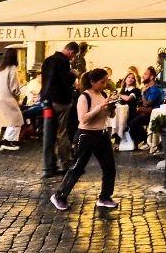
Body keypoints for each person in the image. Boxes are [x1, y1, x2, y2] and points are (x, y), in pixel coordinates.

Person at [50, 68, 119, 211]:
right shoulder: (84, 97)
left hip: (102, 134)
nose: (105, 84)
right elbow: (84, 119)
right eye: (102, 82)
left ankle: (105, 197)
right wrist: (100, 107)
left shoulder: (103, 94)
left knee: (109, 167)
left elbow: (110, 116)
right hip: (86, 135)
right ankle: (59, 195)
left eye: (106, 81)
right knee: (77, 167)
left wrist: (111, 108)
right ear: (93, 82)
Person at [40, 42, 79, 177]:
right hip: (61, 102)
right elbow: (65, 82)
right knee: (62, 133)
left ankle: (48, 167)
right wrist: (73, 74)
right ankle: (66, 163)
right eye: (73, 55)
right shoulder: (63, 62)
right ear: (71, 52)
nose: (72, 58)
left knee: (48, 134)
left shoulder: (47, 60)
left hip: (47, 101)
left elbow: (45, 81)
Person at [0, 49, 25, 153]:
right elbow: (14, 87)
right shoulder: (12, 69)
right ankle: (8, 140)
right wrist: (18, 96)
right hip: (6, 98)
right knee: (16, 119)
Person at [130, 66, 164, 149]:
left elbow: (147, 104)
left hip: (152, 114)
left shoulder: (155, 89)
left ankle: (145, 139)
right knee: (129, 118)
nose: (143, 76)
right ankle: (139, 140)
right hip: (146, 112)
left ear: (151, 77)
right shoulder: (148, 88)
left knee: (133, 123)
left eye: (145, 74)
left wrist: (142, 93)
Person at [115, 72, 141, 150]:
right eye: (129, 77)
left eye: (132, 78)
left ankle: (133, 141)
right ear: (125, 79)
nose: (130, 79)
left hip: (131, 112)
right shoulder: (123, 90)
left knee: (127, 122)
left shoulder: (135, 90)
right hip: (120, 112)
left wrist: (118, 94)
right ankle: (117, 141)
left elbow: (128, 98)